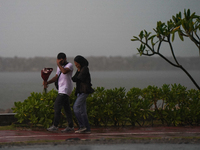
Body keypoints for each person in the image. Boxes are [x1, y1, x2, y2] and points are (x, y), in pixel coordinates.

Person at [43, 52, 74, 132]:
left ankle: (55, 126)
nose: (60, 61)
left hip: (66, 89)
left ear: (65, 59)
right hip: (61, 89)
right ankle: (70, 127)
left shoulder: (69, 65)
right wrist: (47, 82)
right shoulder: (59, 67)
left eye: (61, 60)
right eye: (58, 60)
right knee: (67, 109)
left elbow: (64, 72)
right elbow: (56, 77)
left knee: (57, 106)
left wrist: (59, 65)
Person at [72, 55, 94, 134]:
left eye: (76, 63)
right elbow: (74, 79)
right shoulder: (80, 69)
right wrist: (78, 70)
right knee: (83, 111)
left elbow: (79, 78)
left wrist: (78, 71)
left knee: (76, 108)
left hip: (84, 91)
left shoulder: (85, 69)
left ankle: (82, 126)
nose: (75, 65)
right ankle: (87, 129)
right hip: (80, 92)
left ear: (80, 62)